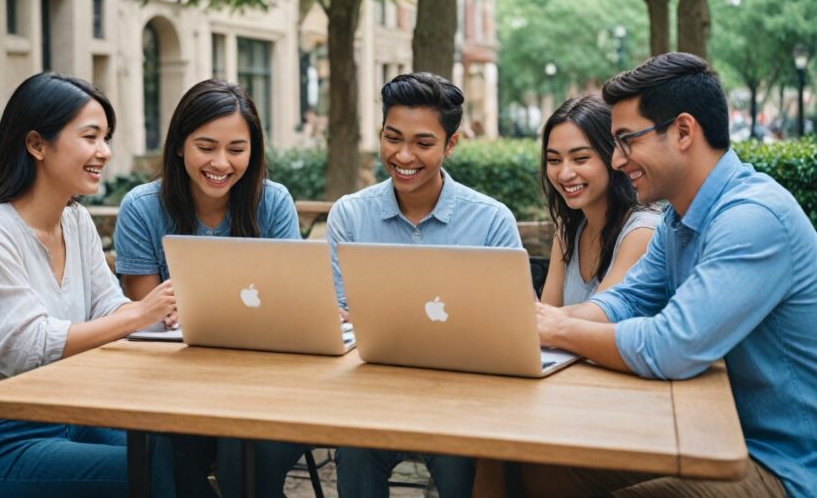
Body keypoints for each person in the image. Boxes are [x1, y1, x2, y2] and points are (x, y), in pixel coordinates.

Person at [531, 53, 817, 497]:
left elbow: (672, 345)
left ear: (683, 131)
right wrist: (542, 321)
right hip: (706, 434)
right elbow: (627, 300)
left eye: (626, 141)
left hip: (782, 465)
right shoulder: (677, 219)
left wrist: (560, 329)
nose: (618, 160)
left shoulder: (753, 219)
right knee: (536, 462)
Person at [0, 73, 177, 498]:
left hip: (66, 414)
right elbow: (22, 349)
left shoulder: (75, 220)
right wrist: (138, 314)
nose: (105, 151)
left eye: (106, 138)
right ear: (36, 144)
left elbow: (107, 305)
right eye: (91, 137)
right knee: (151, 473)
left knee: (171, 453)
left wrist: (163, 312)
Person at [327, 72, 522, 498]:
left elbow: (512, 327)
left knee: (458, 458)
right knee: (355, 451)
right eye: (392, 138)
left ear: (451, 145)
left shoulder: (491, 221)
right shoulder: (350, 215)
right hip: (372, 390)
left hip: (461, 396)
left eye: (423, 143)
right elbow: (340, 316)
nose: (403, 155)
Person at [114, 78, 304, 498]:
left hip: (265, 384)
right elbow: (145, 317)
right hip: (174, 385)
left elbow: (291, 306)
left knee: (248, 446)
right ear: (180, 145)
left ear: (253, 151)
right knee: (168, 451)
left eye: (236, 149)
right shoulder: (142, 208)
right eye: (206, 147)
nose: (221, 162)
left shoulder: (273, 202)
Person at [539, 94, 659, 307]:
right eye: (554, 160)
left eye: (580, 159)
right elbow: (548, 314)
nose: (564, 173)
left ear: (612, 156)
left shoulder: (642, 232)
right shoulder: (567, 231)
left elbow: (597, 316)